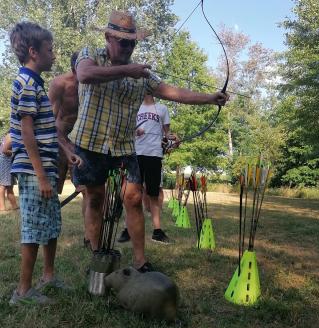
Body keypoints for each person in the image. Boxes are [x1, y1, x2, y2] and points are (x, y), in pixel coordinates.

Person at [69, 10, 228, 273]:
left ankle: (140, 261)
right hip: (89, 142)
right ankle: (98, 257)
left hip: (123, 144)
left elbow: (173, 92)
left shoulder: (140, 73)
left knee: (133, 198)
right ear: (108, 37)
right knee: (96, 199)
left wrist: (210, 97)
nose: (129, 47)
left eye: (133, 42)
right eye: (123, 42)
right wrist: (127, 71)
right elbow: (85, 75)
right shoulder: (90, 54)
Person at [8, 21, 82, 305]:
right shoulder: (25, 84)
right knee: (33, 227)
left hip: (46, 169)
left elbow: (48, 130)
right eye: (50, 50)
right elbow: (26, 134)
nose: (54, 55)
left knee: (51, 223)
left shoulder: (36, 84)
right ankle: (23, 291)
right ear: (33, 52)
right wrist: (40, 176)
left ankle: (48, 276)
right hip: (32, 171)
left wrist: (66, 151)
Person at [118, 94, 176, 244]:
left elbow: (167, 135)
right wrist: (134, 132)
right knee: (131, 195)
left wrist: (173, 141)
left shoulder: (162, 109)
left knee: (153, 194)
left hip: (154, 154)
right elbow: (125, 131)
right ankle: (127, 229)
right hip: (136, 154)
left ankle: (157, 231)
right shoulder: (134, 108)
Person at [48, 52, 88, 247]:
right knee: (53, 188)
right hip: (61, 135)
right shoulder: (60, 84)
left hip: (83, 138)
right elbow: (48, 122)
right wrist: (64, 145)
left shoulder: (93, 83)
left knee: (88, 189)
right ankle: (50, 229)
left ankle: (89, 236)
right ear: (74, 69)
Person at [0, 133, 18, 211]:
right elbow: (4, 150)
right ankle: (2, 207)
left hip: (8, 162)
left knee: (9, 186)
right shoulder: (11, 136)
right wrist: (16, 153)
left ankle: (14, 206)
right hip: (5, 162)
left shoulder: (11, 135)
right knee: (3, 186)